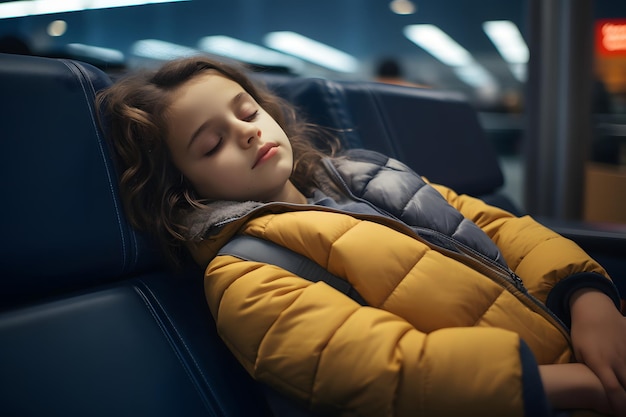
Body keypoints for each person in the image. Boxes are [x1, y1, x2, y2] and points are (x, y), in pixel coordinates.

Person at [97, 56, 626, 417]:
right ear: (184, 189)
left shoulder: (360, 175)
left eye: (247, 111)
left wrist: (588, 301)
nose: (247, 132)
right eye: (212, 144)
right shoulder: (245, 274)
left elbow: (496, 225)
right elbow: (382, 371)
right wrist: (566, 384)